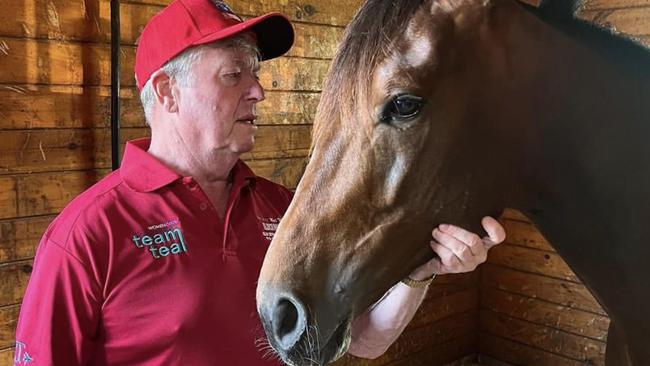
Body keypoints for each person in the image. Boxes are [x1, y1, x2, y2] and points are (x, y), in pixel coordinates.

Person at [13, 1, 505, 365]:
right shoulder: (86, 235)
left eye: (255, 72)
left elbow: (367, 339)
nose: (259, 90)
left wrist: (418, 272)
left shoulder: (282, 208)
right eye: (233, 75)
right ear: (168, 92)